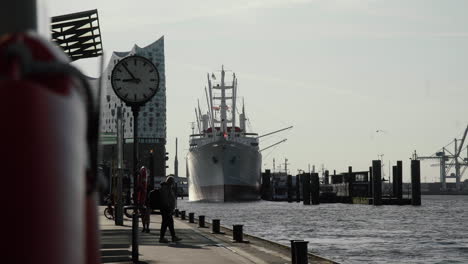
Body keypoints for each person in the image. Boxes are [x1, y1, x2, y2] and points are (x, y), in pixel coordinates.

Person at [159, 176, 181, 243]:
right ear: (170, 182)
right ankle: (162, 238)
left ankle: (173, 237)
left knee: (170, 223)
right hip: (166, 209)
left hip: (167, 209)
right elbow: (165, 199)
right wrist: (168, 207)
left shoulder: (168, 188)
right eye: (172, 182)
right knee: (165, 223)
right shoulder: (165, 188)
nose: (173, 184)